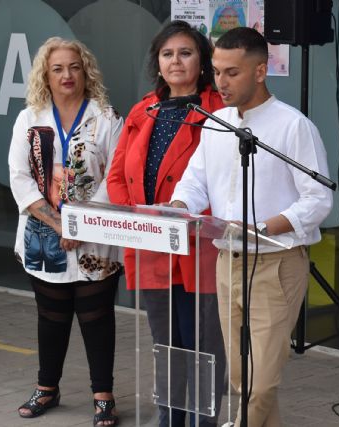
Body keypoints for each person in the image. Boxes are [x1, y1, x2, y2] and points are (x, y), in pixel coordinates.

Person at [170, 27, 333, 427]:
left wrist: (261, 227)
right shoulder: (215, 123)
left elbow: (318, 199)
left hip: (275, 266)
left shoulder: (293, 127)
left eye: (232, 73)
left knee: (261, 382)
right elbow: (194, 182)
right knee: (240, 379)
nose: (220, 83)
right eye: (217, 71)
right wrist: (177, 208)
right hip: (227, 261)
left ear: (261, 71)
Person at [106, 21, 226, 427]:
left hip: (200, 246)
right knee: (166, 342)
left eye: (186, 53)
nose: (176, 61)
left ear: (202, 61)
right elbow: (118, 175)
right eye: (168, 54)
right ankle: (169, 419)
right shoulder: (144, 110)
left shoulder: (219, 111)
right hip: (151, 243)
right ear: (157, 62)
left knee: (204, 343)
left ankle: (203, 421)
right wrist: (139, 223)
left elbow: (224, 180)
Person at [8, 37, 122, 426]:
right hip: (44, 237)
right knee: (51, 315)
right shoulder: (29, 118)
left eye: (74, 66)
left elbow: (115, 177)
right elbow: (20, 178)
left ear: (85, 70)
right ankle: (47, 388)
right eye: (57, 68)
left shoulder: (106, 116)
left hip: (96, 237)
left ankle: (103, 394)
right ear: (45, 74)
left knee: (97, 315)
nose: (67, 74)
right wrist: (59, 223)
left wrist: (82, 224)